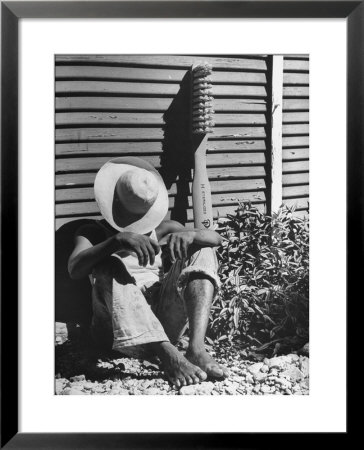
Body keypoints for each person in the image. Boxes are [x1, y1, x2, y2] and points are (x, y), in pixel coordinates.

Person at [68, 157, 228, 388]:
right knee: (108, 265)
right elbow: (75, 268)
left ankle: (196, 349)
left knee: (202, 251)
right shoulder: (93, 231)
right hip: (115, 331)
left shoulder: (164, 229)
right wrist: (115, 242)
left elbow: (217, 240)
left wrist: (192, 235)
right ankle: (167, 356)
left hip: (162, 321)